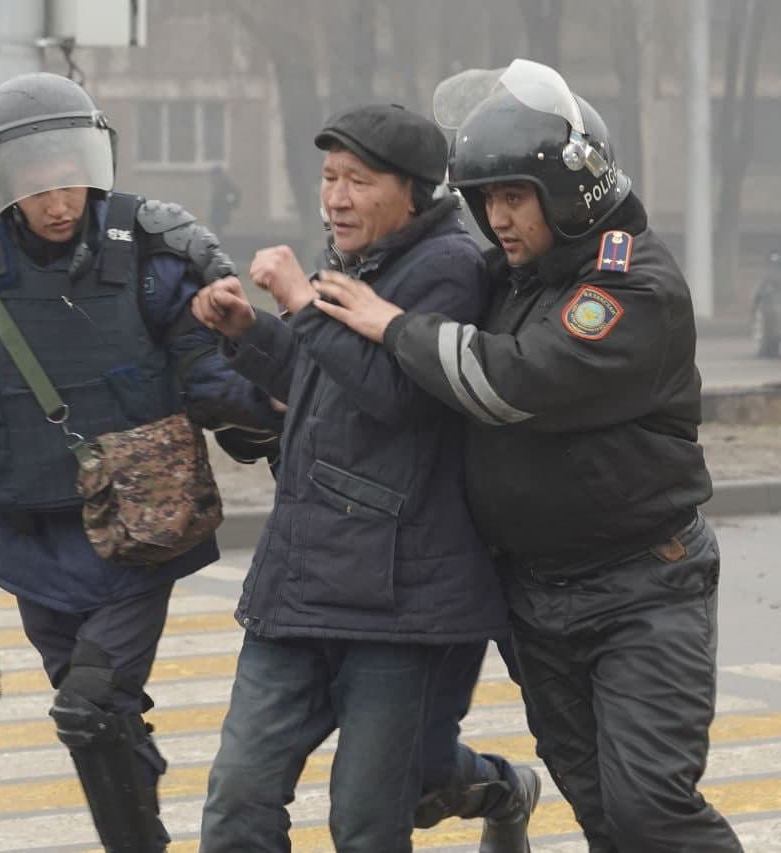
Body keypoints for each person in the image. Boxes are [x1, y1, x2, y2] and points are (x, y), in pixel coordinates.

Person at [312, 60, 744, 852]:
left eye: (514, 196)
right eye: (484, 199)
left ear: (568, 187)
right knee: (603, 812)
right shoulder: (514, 275)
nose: (496, 218)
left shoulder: (629, 286)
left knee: (652, 808)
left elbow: (508, 381)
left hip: (641, 586)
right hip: (535, 598)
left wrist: (387, 321)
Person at [0, 72, 280, 853]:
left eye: (69, 175)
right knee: (97, 724)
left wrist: (297, 418)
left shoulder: (153, 253)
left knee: (89, 704)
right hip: (29, 538)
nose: (57, 201)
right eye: (34, 183)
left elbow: (212, 380)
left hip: (141, 535)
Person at [190, 103, 537, 852]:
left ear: (411, 191)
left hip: (398, 604)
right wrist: (252, 334)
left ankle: (504, 790)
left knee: (367, 822)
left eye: (358, 181)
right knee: (238, 798)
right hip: (299, 584)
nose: (336, 197)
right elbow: (328, 385)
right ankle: (495, 787)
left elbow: (399, 397)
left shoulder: (448, 268)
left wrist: (297, 301)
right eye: (328, 178)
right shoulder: (362, 263)